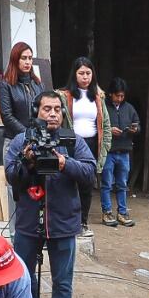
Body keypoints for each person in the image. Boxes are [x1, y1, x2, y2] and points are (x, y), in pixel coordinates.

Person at [4, 91, 92, 298]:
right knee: (21, 275)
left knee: (62, 279)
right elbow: (10, 176)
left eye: (57, 109)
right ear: (36, 112)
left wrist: (65, 162)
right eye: (46, 109)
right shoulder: (22, 140)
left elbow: (89, 174)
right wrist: (27, 161)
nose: (52, 114)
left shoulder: (72, 141)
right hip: (29, 221)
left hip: (63, 221)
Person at [62, 57, 108, 227]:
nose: (85, 77)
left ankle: (82, 222)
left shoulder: (98, 97)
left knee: (87, 184)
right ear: (74, 75)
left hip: (91, 144)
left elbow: (107, 126)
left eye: (88, 73)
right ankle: (68, 221)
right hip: (71, 144)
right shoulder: (65, 96)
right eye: (81, 73)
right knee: (68, 182)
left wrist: (104, 150)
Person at [101, 78, 139, 227]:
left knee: (122, 184)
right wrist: (108, 130)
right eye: (117, 96)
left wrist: (134, 129)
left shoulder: (129, 108)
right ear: (110, 94)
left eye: (122, 96)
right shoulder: (103, 107)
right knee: (106, 184)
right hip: (109, 151)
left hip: (124, 151)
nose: (120, 99)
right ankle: (107, 212)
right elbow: (97, 126)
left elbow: (138, 124)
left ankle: (122, 213)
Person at [0, 41, 43, 137]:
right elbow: (7, 116)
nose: (27, 62)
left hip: (37, 139)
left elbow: (43, 111)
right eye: (23, 58)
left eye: (30, 58)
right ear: (15, 59)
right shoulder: (5, 85)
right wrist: (27, 133)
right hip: (14, 139)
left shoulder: (38, 84)